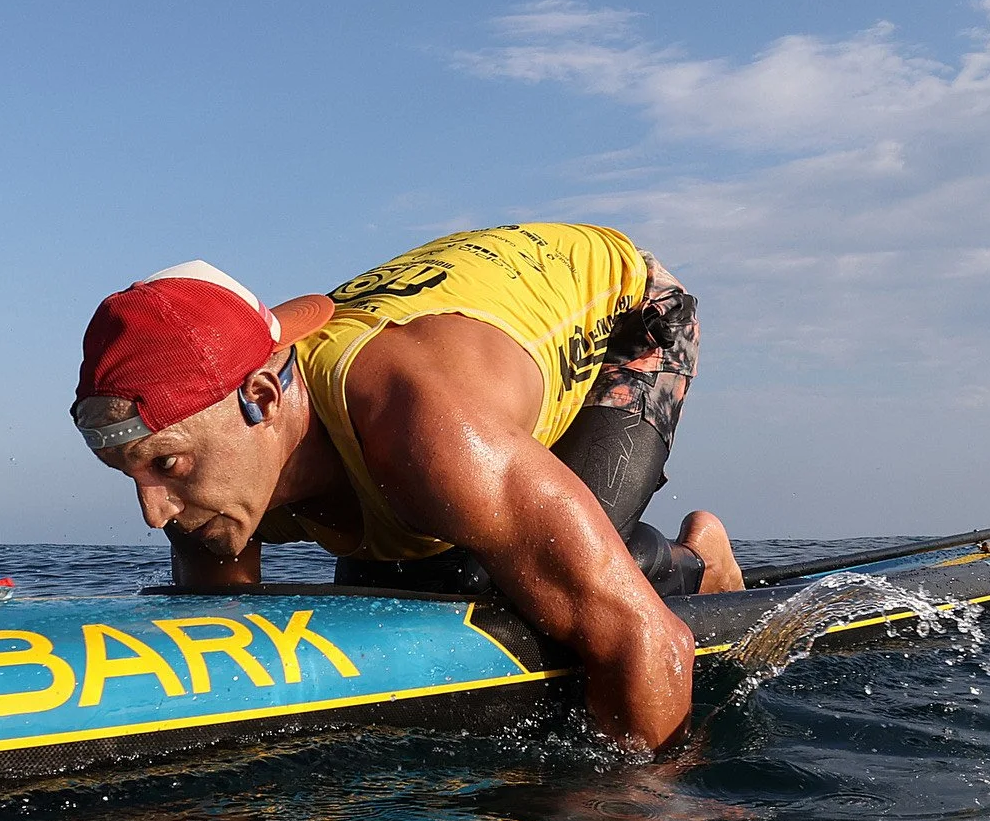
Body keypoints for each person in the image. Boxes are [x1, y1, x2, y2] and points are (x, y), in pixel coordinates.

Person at [70, 223, 744, 753]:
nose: (154, 515)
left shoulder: (428, 431)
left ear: (263, 397)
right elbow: (224, 649)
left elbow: (644, 644)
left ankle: (696, 560)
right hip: (444, 351)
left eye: (170, 466)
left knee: (499, 583)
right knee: (390, 591)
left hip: (626, 311)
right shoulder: (216, 461)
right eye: (130, 473)